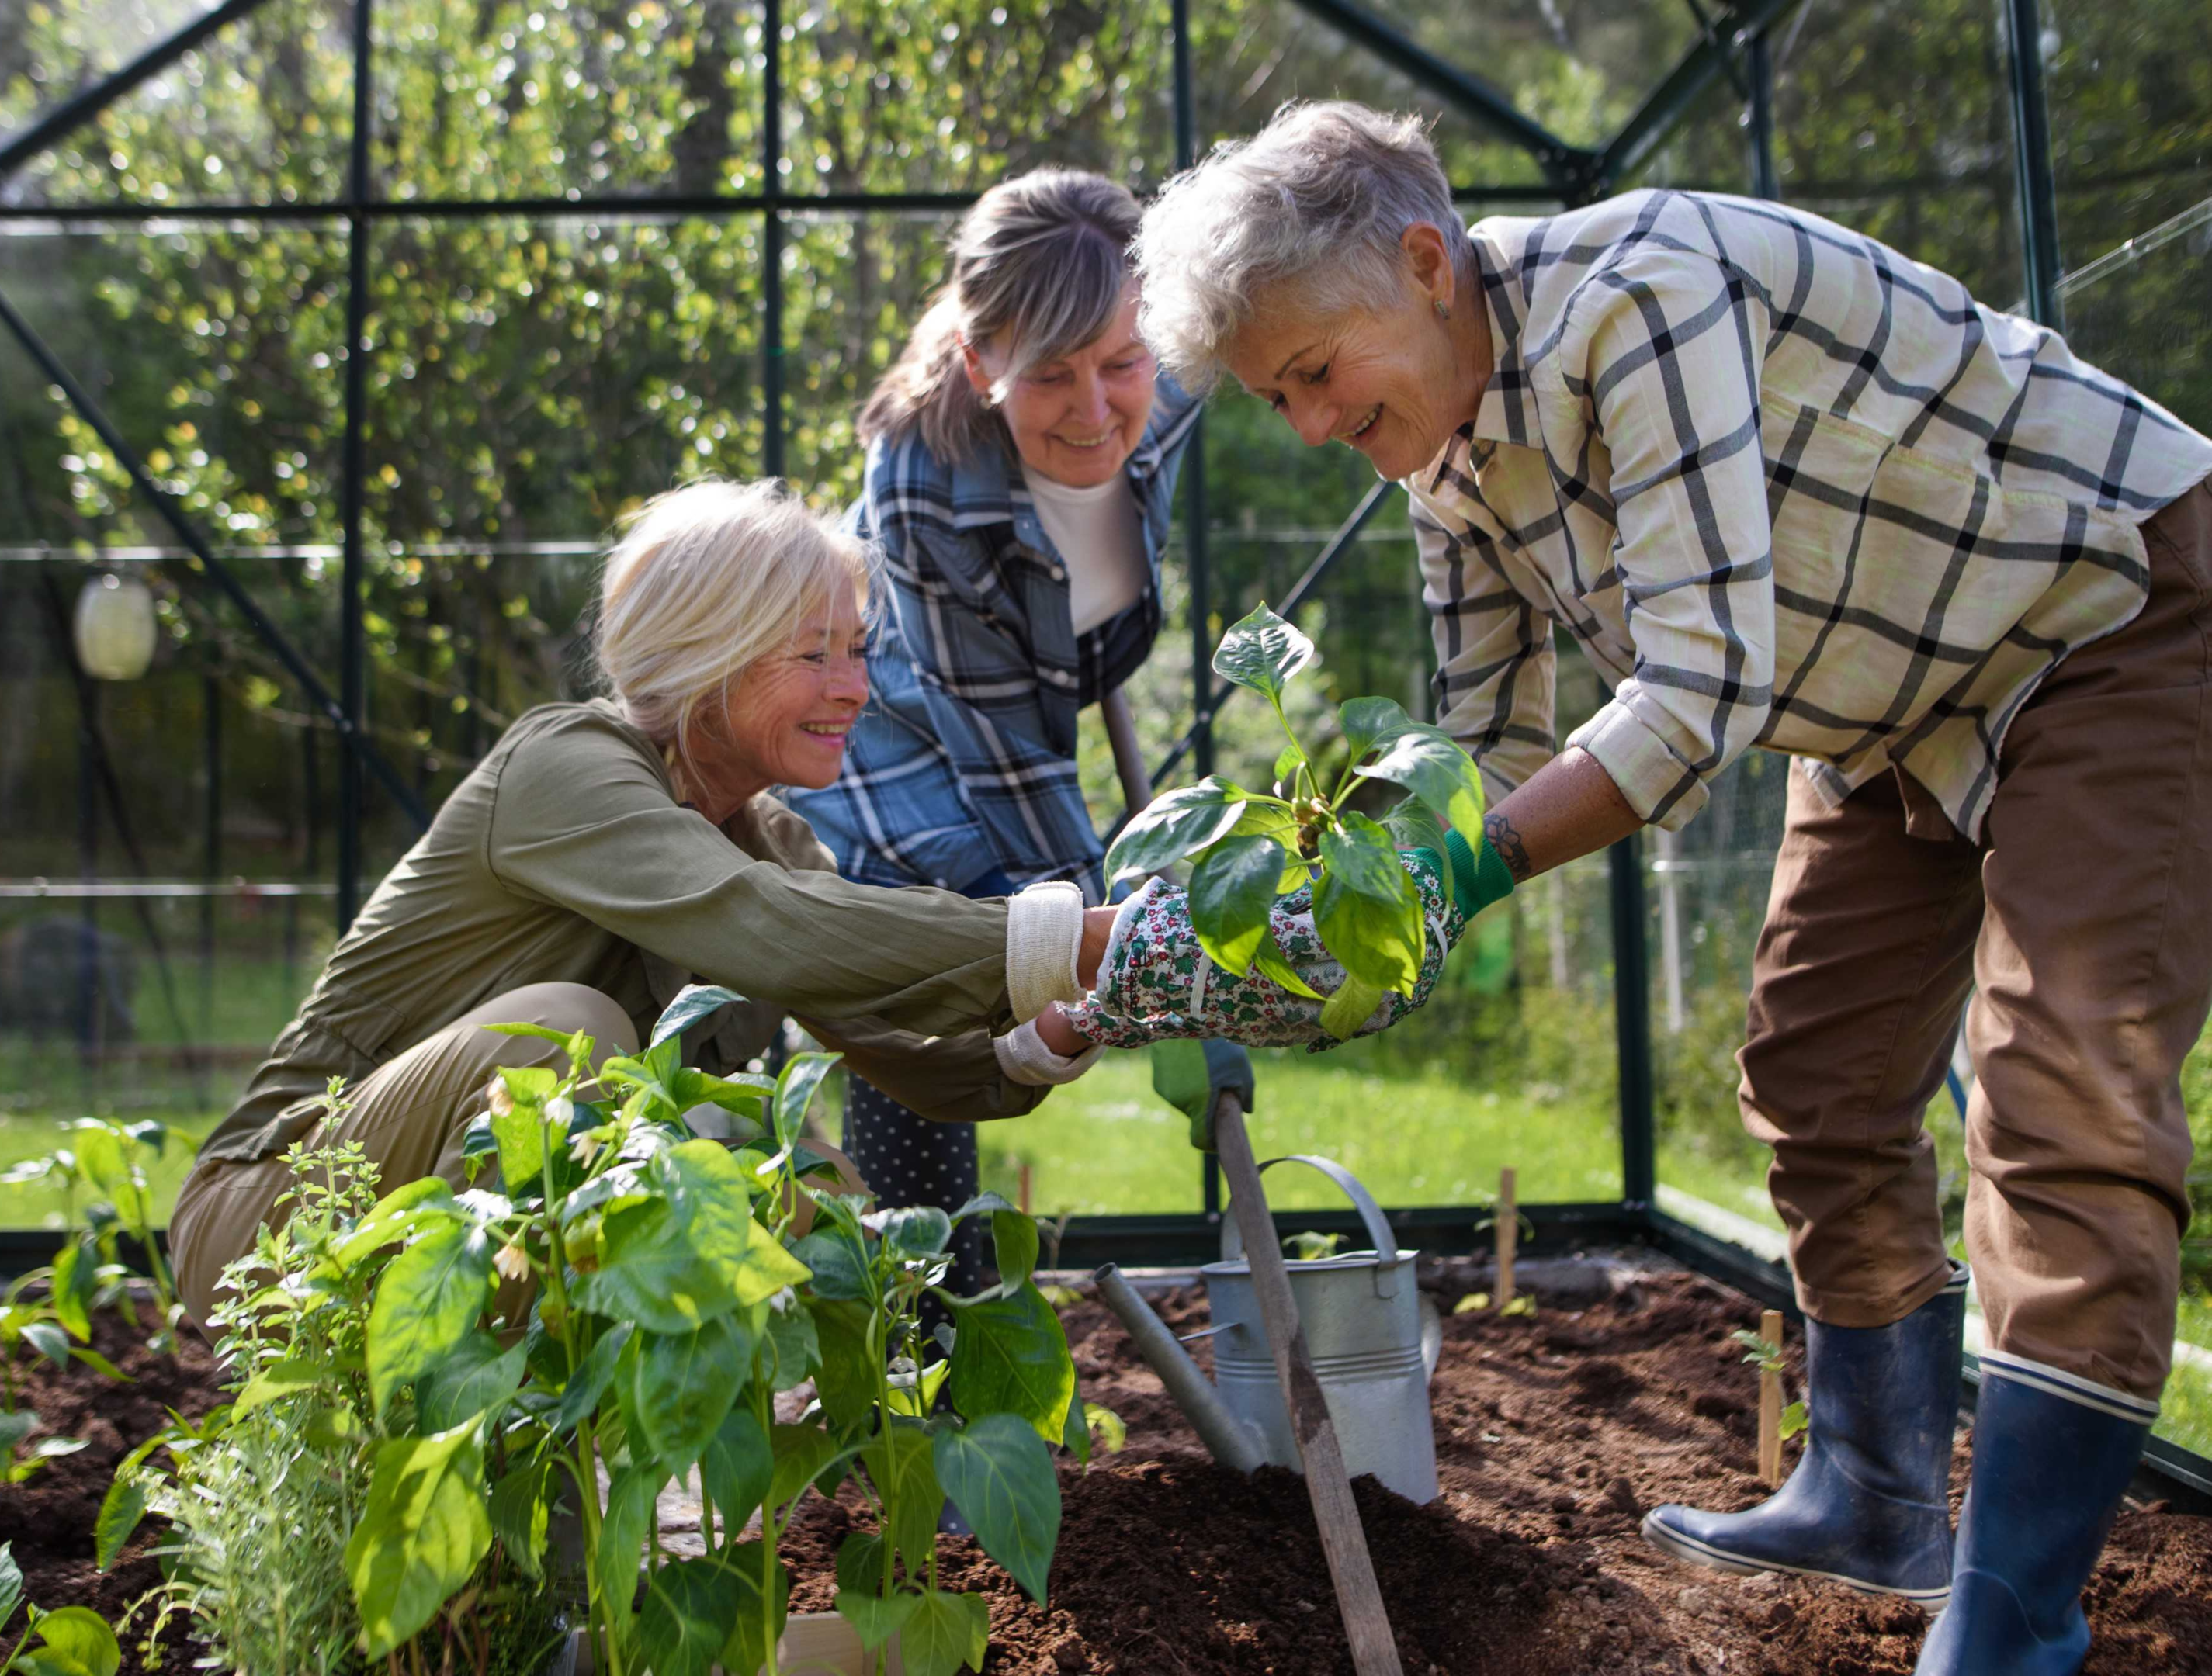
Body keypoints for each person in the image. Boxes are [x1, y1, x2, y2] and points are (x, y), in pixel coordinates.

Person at [1131, 100, 2212, 1676]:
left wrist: (1455, 880)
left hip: (2103, 616)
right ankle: (1874, 1494)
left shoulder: (1637, 291)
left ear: (1424, 263)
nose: (1304, 424)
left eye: (1311, 375)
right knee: (1815, 1078)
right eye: (1273, 397)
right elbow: (1484, 755)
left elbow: (1693, 702)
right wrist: (1346, 900)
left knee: (2060, 1101)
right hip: (1883, 703)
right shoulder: (1437, 458)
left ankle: (2014, 1614)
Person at [170, 479, 1386, 1328]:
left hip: (450, 1217)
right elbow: (766, 930)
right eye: (815, 654)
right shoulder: (564, 768)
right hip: (274, 1216)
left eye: (858, 651)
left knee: (805, 1193)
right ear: (706, 658)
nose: (855, 688)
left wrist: (1096, 1009)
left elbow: (908, 1049)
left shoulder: (770, 837)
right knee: (569, 1039)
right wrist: (1092, 930)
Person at [781, 168, 1201, 1289]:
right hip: (895, 732)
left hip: (1048, 682)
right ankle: (931, 1322)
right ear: (980, 365)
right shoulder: (926, 473)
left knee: (1034, 943)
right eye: (1049, 375)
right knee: (929, 983)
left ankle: (942, 1317)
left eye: (1121, 364)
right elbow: (1004, 758)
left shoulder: (1178, 364)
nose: (1097, 408)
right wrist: (1122, 949)